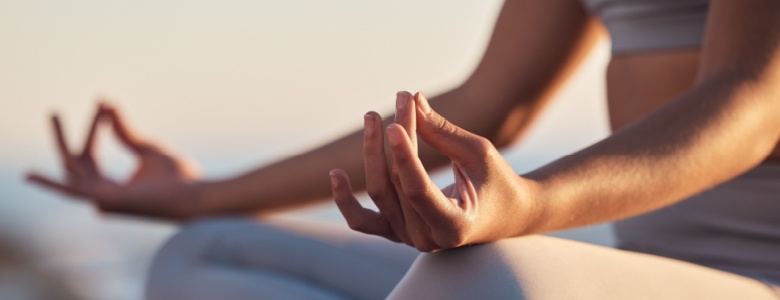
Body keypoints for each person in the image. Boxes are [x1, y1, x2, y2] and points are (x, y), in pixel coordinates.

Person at [28, 0, 780, 299]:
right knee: (199, 258)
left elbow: (747, 103)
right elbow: (490, 103)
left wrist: (528, 206)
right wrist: (195, 196)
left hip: (756, 281)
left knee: (479, 277)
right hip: (656, 277)